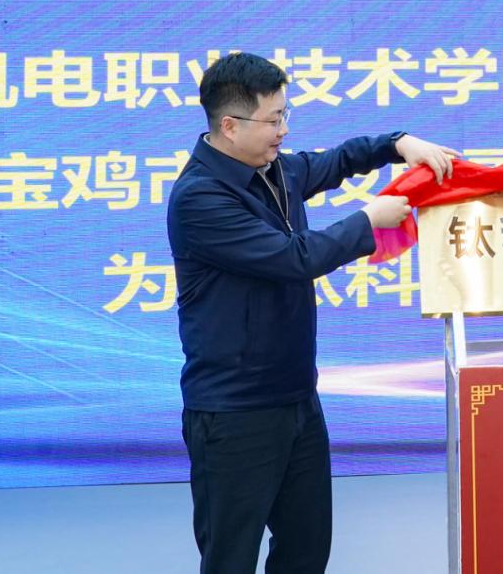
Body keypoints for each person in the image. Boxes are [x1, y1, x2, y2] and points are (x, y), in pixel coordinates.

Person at [168, 52, 458, 574]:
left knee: (306, 548)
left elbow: (338, 161)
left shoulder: (275, 169)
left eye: (285, 115)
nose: (283, 130)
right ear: (229, 125)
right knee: (231, 557)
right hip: (234, 413)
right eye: (273, 119)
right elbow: (294, 258)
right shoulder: (200, 198)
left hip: (297, 399)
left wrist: (396, 144)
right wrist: (368, 221)